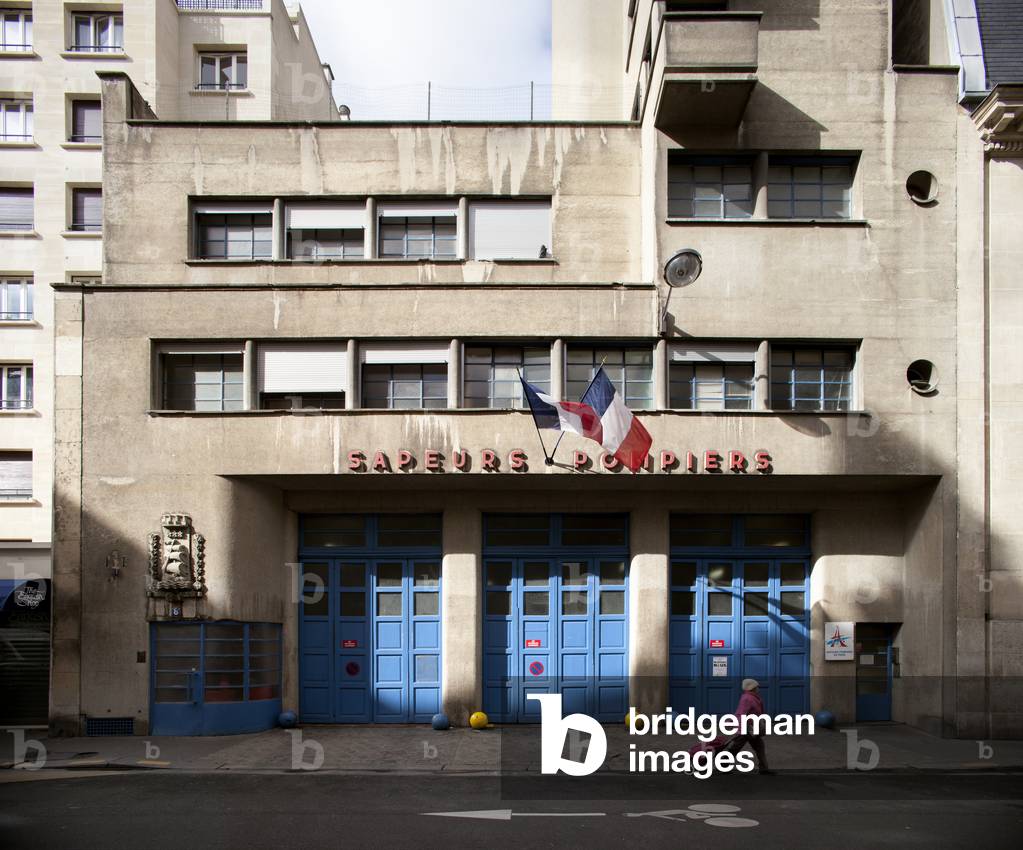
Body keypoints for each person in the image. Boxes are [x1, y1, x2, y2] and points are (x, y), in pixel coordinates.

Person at [726, 678, 774, 774]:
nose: (758, 688)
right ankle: (723, 766)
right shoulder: (747, 699)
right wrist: (741, 729)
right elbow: (741, 713)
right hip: (746, 728)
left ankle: (764, 769)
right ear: (752, 688)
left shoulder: (754, 697)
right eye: (757, 687)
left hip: (752, 728)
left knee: (759, 746)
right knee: (735, 748)